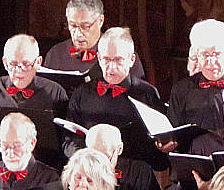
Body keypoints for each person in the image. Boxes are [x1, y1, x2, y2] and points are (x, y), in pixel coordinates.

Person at [63, 27, 161, 158]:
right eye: (106, 60)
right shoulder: (82, 93)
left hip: (132, 172)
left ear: (132, 60)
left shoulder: (147, 93)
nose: (111, 67)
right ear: (98, 58)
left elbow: (158, 155)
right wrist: (87, 160)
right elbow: (69, 142)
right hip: (90, 170)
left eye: (118, 60)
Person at [43, 0, 146, 79]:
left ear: (100, 21)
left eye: (85, 26)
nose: (78, 34)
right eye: (73, 25)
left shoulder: (122, 52)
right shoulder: (55, 55)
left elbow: (140, 95)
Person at [0, 35, 69, 118]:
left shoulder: (55, 93)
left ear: (38, 62)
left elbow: (65, 135)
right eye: (13, 64)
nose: (19, 70)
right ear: (5, 63)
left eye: (26, 64)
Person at [0, 113, 62, 190]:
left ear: (31, 143)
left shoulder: (50, 178)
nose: (10, 153)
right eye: (4, 146)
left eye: (16, 146)